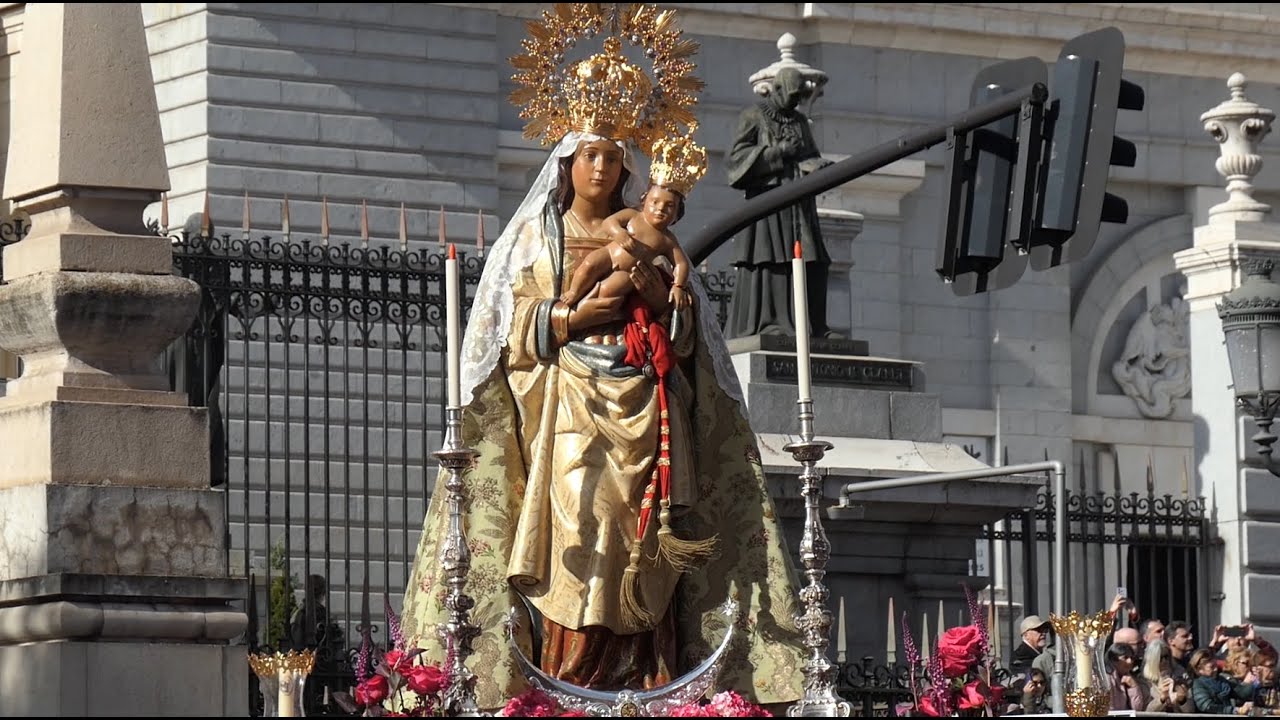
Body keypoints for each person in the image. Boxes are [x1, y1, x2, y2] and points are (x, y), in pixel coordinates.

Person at [398, 9, 805, 711]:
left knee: (643, 539)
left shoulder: (649, 234)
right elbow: (508, 330)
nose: (604, 166)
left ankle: (647, 675)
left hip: (646, 405)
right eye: (592, 154)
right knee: (579, 530)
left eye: (616, 157)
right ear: (567, 160)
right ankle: (570, 677)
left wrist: (662, 302)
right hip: (569, 412)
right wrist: (571, 317)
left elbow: (690, 341)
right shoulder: (540, 236)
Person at [724, 65, 836, 340]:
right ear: (777, 90)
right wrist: (777, 153)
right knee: (771, 259)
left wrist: (818, 166)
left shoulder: (799, 121)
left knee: (815, 260)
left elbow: (808, 155)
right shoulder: (753, 116)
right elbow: (735, 160)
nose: (796, 102)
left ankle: (813, 325)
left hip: (799, 206)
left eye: (800, 97)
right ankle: (772, 322)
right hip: (768, 205)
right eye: (792, 95)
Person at [559, 184, 694, 313]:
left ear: (677, 214)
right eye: (655, 202)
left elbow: (681, 263)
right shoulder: (633, 216)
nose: (661, 208)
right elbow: (609, 222)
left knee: (608, 291)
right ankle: (574, 292)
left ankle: (587, 309)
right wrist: (618, 233)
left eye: (670, 205)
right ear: (644, 202)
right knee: (589, 264)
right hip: (609, 254)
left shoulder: (667, 240)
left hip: (629, 272)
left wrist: (678, 286)